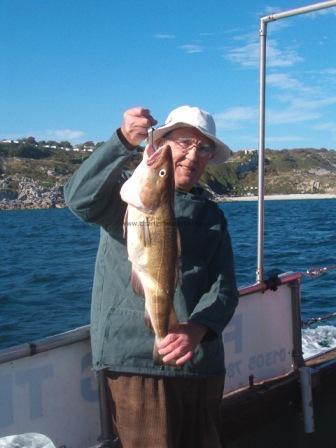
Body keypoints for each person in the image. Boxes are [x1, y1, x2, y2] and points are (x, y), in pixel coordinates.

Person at [64, 105, 239, 448]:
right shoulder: (125, 202)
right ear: (162, 145)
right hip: (138, 364)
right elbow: (79, 199)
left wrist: (197, 328)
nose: (192, 155)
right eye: (184, 142)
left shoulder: (213, 216)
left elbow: (225, 288)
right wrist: (122, 141)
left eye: (203, 148)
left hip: (200, 363)